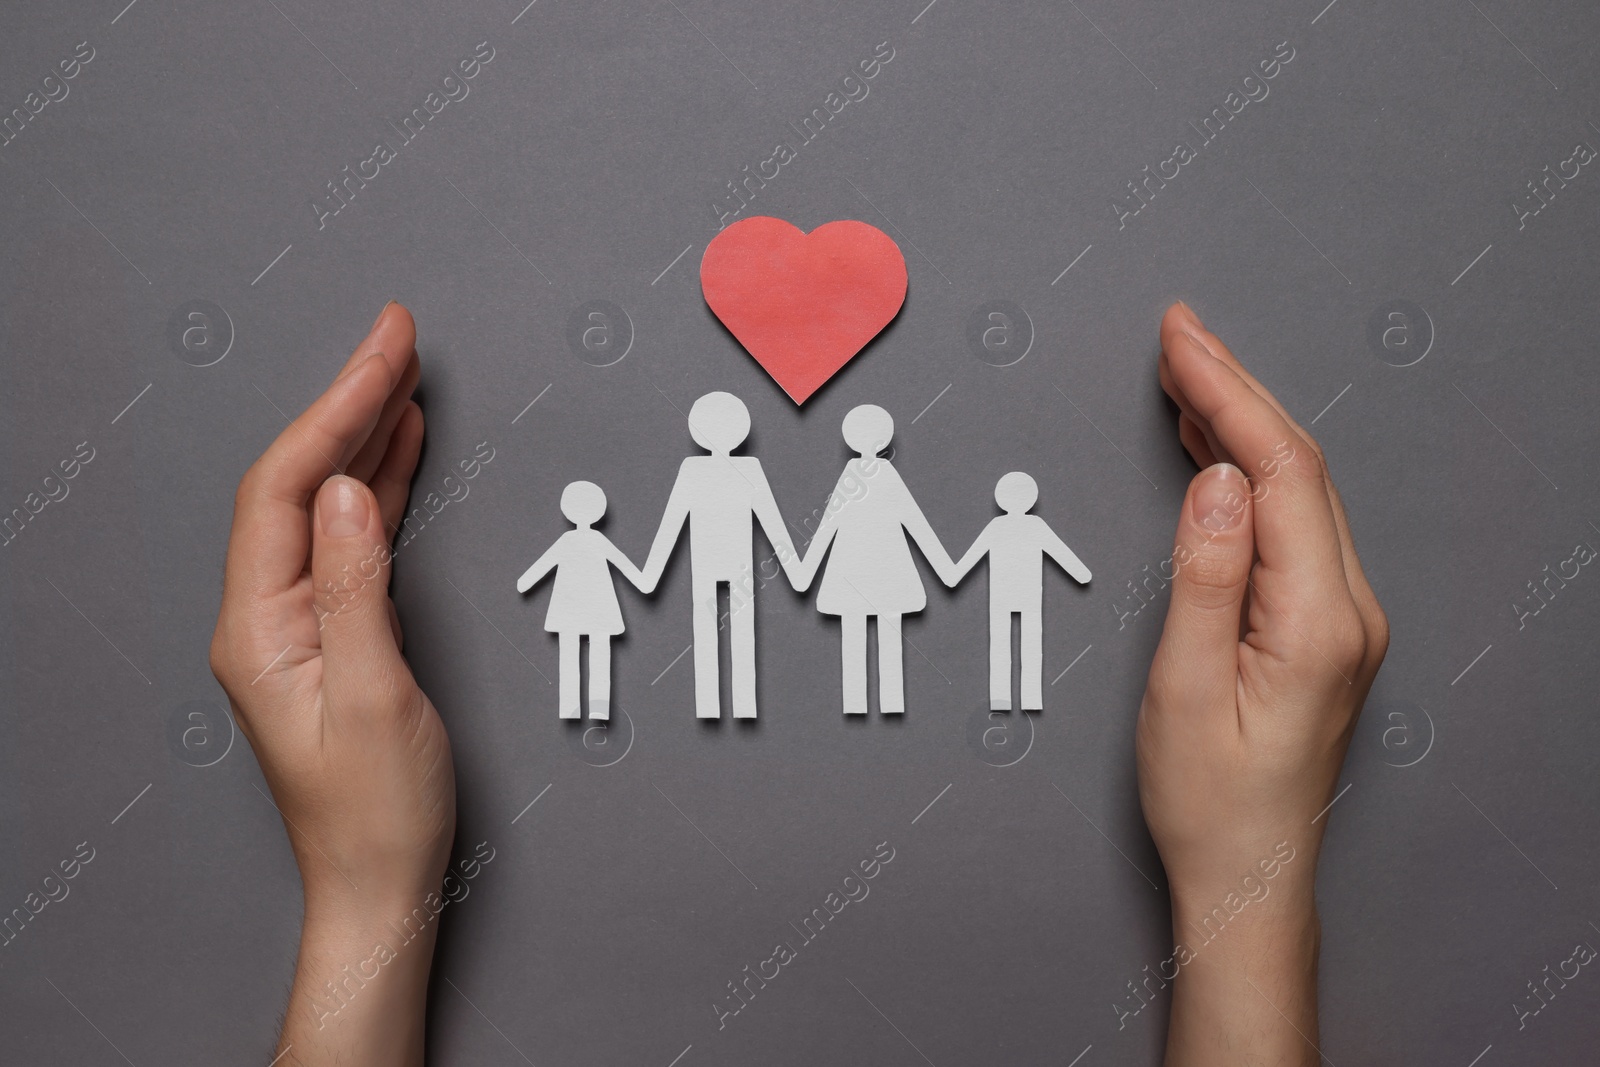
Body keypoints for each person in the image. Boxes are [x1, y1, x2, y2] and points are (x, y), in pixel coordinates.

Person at [208, 300, 1388, 1065]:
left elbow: (823, 527)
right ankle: (743, 675)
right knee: (717, 647)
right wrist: (1251, 889)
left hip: (832, 574)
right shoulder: (730, 486)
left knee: (800, 641)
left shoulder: (827, 485)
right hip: (718, 585)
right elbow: (694, 532)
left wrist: (366, 894)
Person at [639, 390, 802, 719]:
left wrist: (650, 574)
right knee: (739, 630)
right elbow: (772, 524)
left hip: (714, 564)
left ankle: (716, 705)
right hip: (735, 564)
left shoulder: (696, 470)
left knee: (707, 631)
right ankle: (738, 705)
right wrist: (796, 571)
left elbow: (672, 524)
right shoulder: (745, 469)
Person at [792, 403, 958, 715]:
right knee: (887, 633)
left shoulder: (856, 476)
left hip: (854, 573)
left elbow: (830, 523)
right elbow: (913, 522)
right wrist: (946, 568)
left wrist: (804, 570)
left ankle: (861, 702)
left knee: (858, 635)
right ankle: (885, 701)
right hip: (886, 573)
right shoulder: (879, 474)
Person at [947, 471, 1092, 711]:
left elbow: (969, 559)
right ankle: (1030, 698)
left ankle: (1002, 699)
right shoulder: (1034, 525)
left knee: (1001, 647)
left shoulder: (998, 526)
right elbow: (1061, 553)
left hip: (1003, 597)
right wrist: (1081, 573)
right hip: (1027, 596)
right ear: (1031, 498)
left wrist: (953, 574)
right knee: (1031, 646)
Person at [515, 480, 649, 720]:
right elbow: (625, 566)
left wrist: (526, 581)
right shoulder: (597, 540)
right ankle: (597, 708)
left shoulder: (570, 540)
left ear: (568, 509)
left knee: (570, 656)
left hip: (570, 609)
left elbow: (543, 565)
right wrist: (643, 581)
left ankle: (572, 708)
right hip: (599, 608)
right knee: (600, 655)